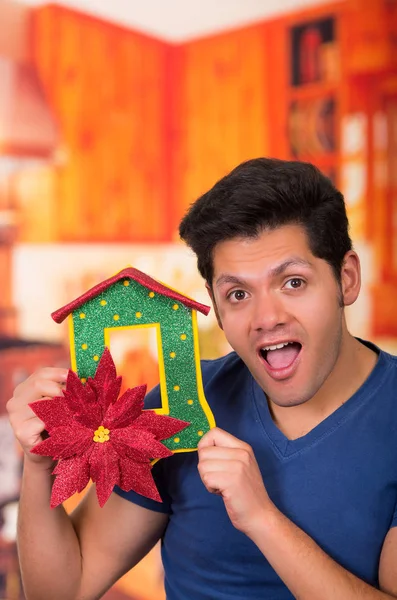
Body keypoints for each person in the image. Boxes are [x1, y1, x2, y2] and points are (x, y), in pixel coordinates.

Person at [6, 158, 397, 600]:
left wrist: (262, 519)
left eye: (293, 283)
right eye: (238, 294)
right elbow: (63, 590)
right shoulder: (180, 409)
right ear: (215, 304)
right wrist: (39, 464)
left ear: (346, 279)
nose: (266, 318)